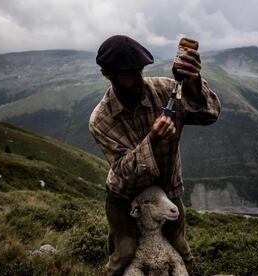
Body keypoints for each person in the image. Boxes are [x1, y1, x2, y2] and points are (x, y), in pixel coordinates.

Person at [89, 35, 220, 276]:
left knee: (180, 249)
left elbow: (209, 115)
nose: (138, 78)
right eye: (128, 73)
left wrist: (192, 83)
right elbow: (124, 169)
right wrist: (153, 139)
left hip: (166, 190)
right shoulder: (101, 119)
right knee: (125, 253)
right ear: (108, 74)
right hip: (124, 196)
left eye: (139, 70)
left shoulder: (164, 90)